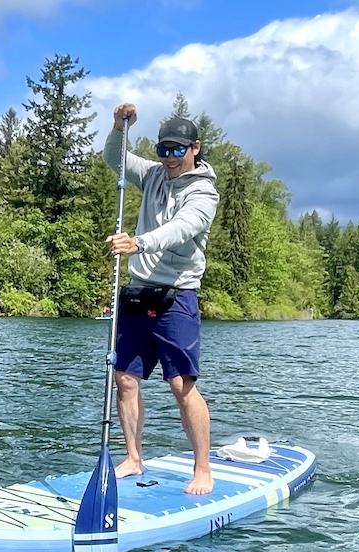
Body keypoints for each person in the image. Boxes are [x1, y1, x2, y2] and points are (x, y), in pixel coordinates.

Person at [102, 103, 220, 495]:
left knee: (181, 385)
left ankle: (202, 468)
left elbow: (181, 229)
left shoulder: (205, 193)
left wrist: (138, 243)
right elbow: (113, 159)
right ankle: (134, 457)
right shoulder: (152, 175)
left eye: (177, 150)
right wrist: (122, 128)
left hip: (177, 296)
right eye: (163, 150)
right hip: (137, 293)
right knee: (125, 380)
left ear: (195, 148)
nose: (169, 159)